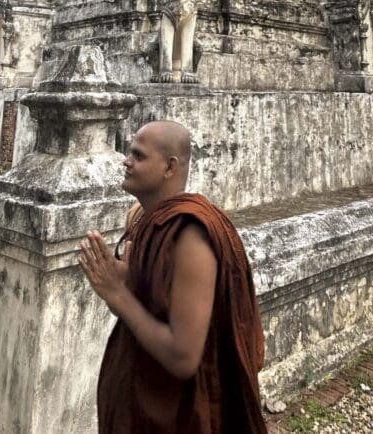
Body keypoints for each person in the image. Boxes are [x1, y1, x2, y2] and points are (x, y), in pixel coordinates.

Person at [78, 120, 268, 434]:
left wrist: (118, 294)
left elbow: (183, 357)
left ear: (169, 167)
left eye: (138, 156)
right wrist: (121, 282)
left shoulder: (190, 235)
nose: (126, 161)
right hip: (134, 400)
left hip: (179, 415)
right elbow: (138, 312)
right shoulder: (139, 219)